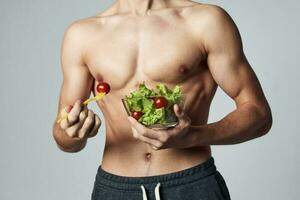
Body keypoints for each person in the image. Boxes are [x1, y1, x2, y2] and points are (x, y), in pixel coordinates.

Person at [52, 0, 273, 199]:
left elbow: (259, 115)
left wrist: (193, 136)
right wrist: (73, 132)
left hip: (191, 185)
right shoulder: (82, 35)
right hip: (115, 189)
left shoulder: (206, 21)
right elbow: (64, 136)